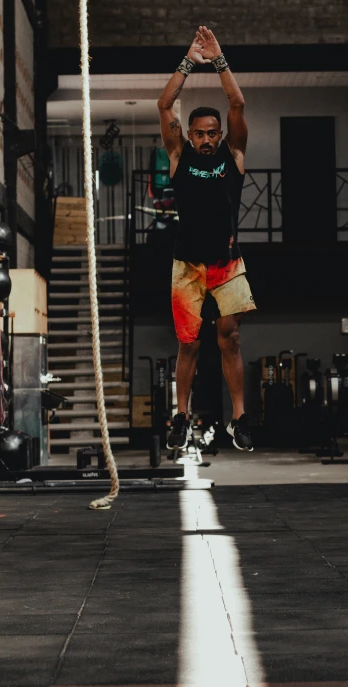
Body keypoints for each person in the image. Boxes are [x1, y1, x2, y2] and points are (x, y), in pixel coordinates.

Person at [157, 26, 256, 452]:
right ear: (189, 135)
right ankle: (181, 415)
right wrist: (187, 61)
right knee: (189, 343)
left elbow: (238, 102)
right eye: (199, 132)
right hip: (188, 263)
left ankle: (239, 419)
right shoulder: (178, 157)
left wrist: (218, 59)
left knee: (229, 336)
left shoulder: (233, 156)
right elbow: (164, 105)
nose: (206, 138)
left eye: (212, 132)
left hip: (227, 261)